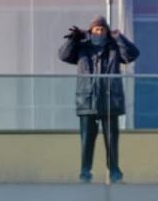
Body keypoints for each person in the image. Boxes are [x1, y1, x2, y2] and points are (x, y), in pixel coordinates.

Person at [58, 16, 138, 184]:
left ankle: (115, 174)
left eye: (102, 29)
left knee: (112, 141)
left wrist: (119, 37)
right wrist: (73, 40)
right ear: (91, 31)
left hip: (110, 101)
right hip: (87, 100)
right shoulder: (82, 47)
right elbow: (64, 56)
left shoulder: (114, 47)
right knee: (86, 141)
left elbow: (132, 55)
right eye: (96, 29)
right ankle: (85, 174)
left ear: (106, 31)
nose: (99, 32)